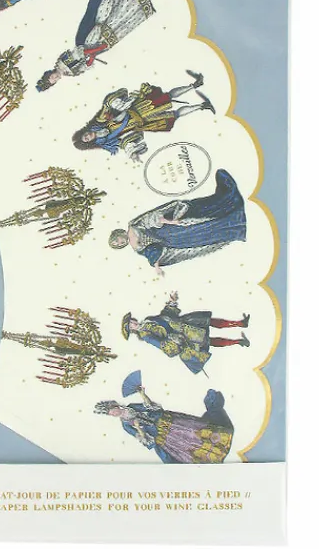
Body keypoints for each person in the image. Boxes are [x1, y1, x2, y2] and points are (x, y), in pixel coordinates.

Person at [36, 0, 155, 91]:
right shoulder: (71, 74)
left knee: (97, 6)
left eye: (51, 77)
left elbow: (81, 53)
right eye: (54, 81)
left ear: (49, 73)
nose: (55, 78)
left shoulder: (62, 62)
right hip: (96, 47)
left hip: (85, 39)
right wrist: (94, 55)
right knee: (113, 21)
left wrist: (96, 50)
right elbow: (87, 65)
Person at [109, 169, 246, 275]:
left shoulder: (133, 226)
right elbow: (153, 251)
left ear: (118, 234)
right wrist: (156, 266)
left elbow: (149, 219)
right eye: (118, 245)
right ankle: (236, 228)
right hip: (174, 241)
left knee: (202, 218)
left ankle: (233, 209)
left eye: (117, 240)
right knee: (204, 236)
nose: (120, 242)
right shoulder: (136, 248)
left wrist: (169, 221)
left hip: (169, 228)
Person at [72, 72, 214, 162]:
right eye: (87, 139)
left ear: (85, 131)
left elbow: (107, 105)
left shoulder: (99, 121)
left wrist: (116, 103)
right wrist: (132, 152)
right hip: (144, 122)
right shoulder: (107, 143)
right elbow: (124, 143)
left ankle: (194, 85)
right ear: (89, 142)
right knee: (174, 115)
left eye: (85, 135)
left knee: (168, 96)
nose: (88, 136)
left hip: (140, 107)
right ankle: (202, 106)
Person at [94, 386, 234, 464]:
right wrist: (138, 428)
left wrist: (143, 394)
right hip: (162, 436)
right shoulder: (125, 425)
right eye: (111, 414)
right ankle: (212, 457)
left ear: (115, 405)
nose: (114, 414)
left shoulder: (131, 407)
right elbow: (143, 439)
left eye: (112, 410)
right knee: (186, 447)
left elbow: (150, 407)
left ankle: (219, 443)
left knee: (194, 432)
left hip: (167, 422)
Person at [121, 291, 249, 374]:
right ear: (132, 330)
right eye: (130, 325)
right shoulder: (145, 335)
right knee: (209, 341)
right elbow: (161, 345)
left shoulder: (147, 320)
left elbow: (165, 316)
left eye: (131, 321)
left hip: (183, 323)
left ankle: (240, 323)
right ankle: (238, 342)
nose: (133, 323)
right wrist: (175, 341)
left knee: (208, 320)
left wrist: (172, 302)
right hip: (183, 336)